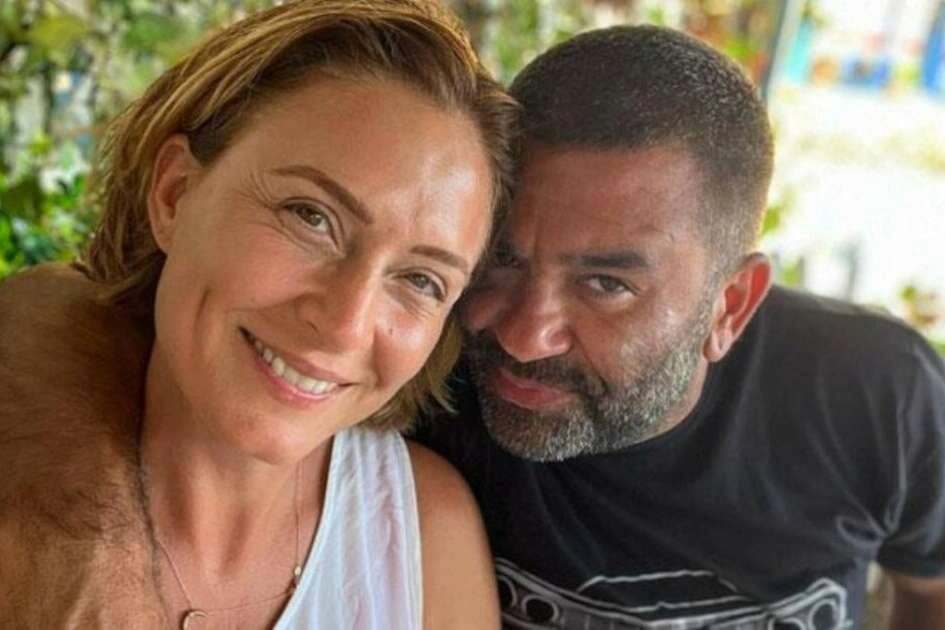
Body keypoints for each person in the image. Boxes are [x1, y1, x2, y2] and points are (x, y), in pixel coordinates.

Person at [3, 21, 945, 630]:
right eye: (501, 263)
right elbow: (62, 320)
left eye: (606, 284)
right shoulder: (445, 378)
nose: (525, 335)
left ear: (729, 305)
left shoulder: (871, 393)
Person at [0, 0, 519, 628]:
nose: (345, 324)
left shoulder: (423, 536)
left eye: (420, 280)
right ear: (174, 194)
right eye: (311, 216)